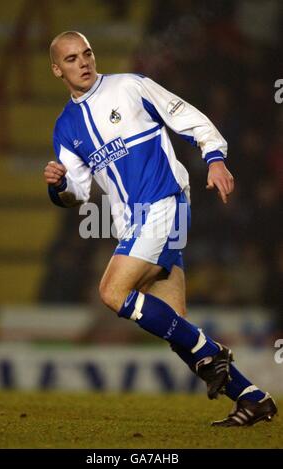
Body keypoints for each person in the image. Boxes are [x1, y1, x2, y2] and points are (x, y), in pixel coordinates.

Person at [44, 31, 277, 426]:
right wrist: (59, 185)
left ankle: (214, 352)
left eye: (87, 53)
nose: (83, 63)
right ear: (56, 70)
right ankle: (253, 398)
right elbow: (77, 192)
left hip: (163, 204)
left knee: (112, 291)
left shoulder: (130, 86)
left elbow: (185, 115)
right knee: (175, 325)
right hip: (135, 225)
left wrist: (215, 157)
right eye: (71, 59)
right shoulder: (66, 127)